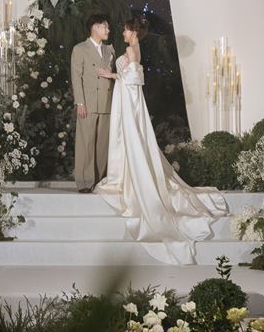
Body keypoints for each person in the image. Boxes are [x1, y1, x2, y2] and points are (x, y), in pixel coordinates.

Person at [94, 16, 228, 265]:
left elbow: (133, 80)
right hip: (127, 101)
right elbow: (130, 76)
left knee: (132, 142)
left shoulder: (132, 50)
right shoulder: (133, 50)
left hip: (130, 105)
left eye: (125, 30)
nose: (122, 33)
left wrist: (113, 76)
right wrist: (113, 72)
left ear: (133, 32)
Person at [71, 13, 114, 193]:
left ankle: (100, 180)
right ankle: (85, 181)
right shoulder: (80, 49)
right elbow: (76, 77)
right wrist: (80, 103)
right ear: (95, 27)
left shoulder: (109, 50)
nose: (108, 30)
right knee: (86, 143)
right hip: (87, 103)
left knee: (103, 145)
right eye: (105, 26)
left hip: (106, 103)